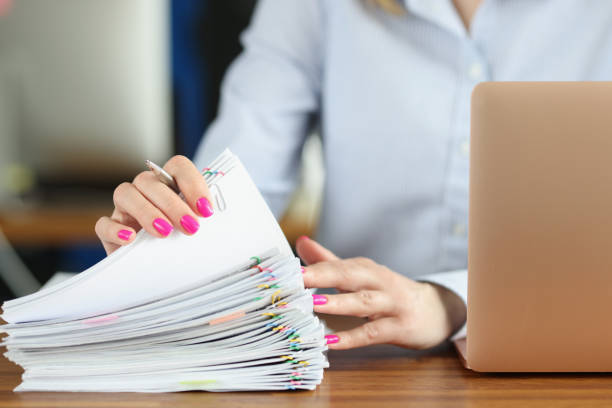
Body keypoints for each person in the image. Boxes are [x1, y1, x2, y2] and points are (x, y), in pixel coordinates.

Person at [95, 0, 612, 350]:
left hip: (565, 354)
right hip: (356, 357)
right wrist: (178, 234)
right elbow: (239, 173)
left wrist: (451, 300)